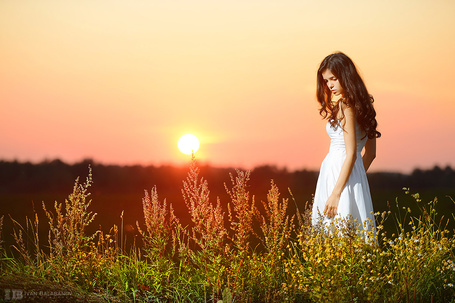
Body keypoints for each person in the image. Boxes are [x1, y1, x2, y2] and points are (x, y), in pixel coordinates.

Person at [311, 52, 381, 237]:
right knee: (352, 235)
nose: (329, 85)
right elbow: (370, 154)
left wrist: (336, 192)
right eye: (326, 81)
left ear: (346, 75)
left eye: (333, 78)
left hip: (337, 173)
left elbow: (350, 154)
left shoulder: (345, 105)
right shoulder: (365, 106)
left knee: (335, 234)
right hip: (350, 175)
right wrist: (354, 180)